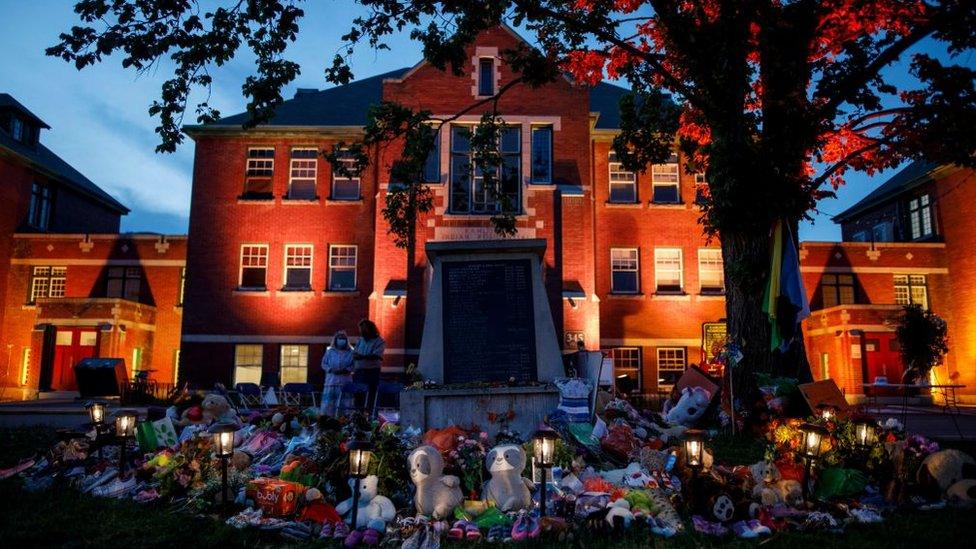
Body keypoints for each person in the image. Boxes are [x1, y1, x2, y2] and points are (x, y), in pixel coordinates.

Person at [320, 330, 354, 416]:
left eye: (343, 338)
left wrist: (347, 370)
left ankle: (344, 421)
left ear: (346, 340)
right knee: (329, 406)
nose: (341, 340)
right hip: (331, 382)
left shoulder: (351, 352)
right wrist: (330, 370)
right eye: (339, 338)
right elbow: (323, 364)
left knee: (345, 405)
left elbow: (354, 365)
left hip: (345, 382)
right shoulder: (329, 351)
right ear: (335, 339)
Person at [353, 319, 385, 411]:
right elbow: (355, 354)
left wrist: (363, 356)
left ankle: (370, 415)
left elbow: (376, 355)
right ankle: (358, 415)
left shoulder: (379, 341)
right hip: (359, 372)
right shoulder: (360, 341)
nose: (361, 331)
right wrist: (362, 356)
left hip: (372, 372)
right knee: (358, 396)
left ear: (370, 329)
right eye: (360, 329)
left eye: (364, 329)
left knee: (371, 395)